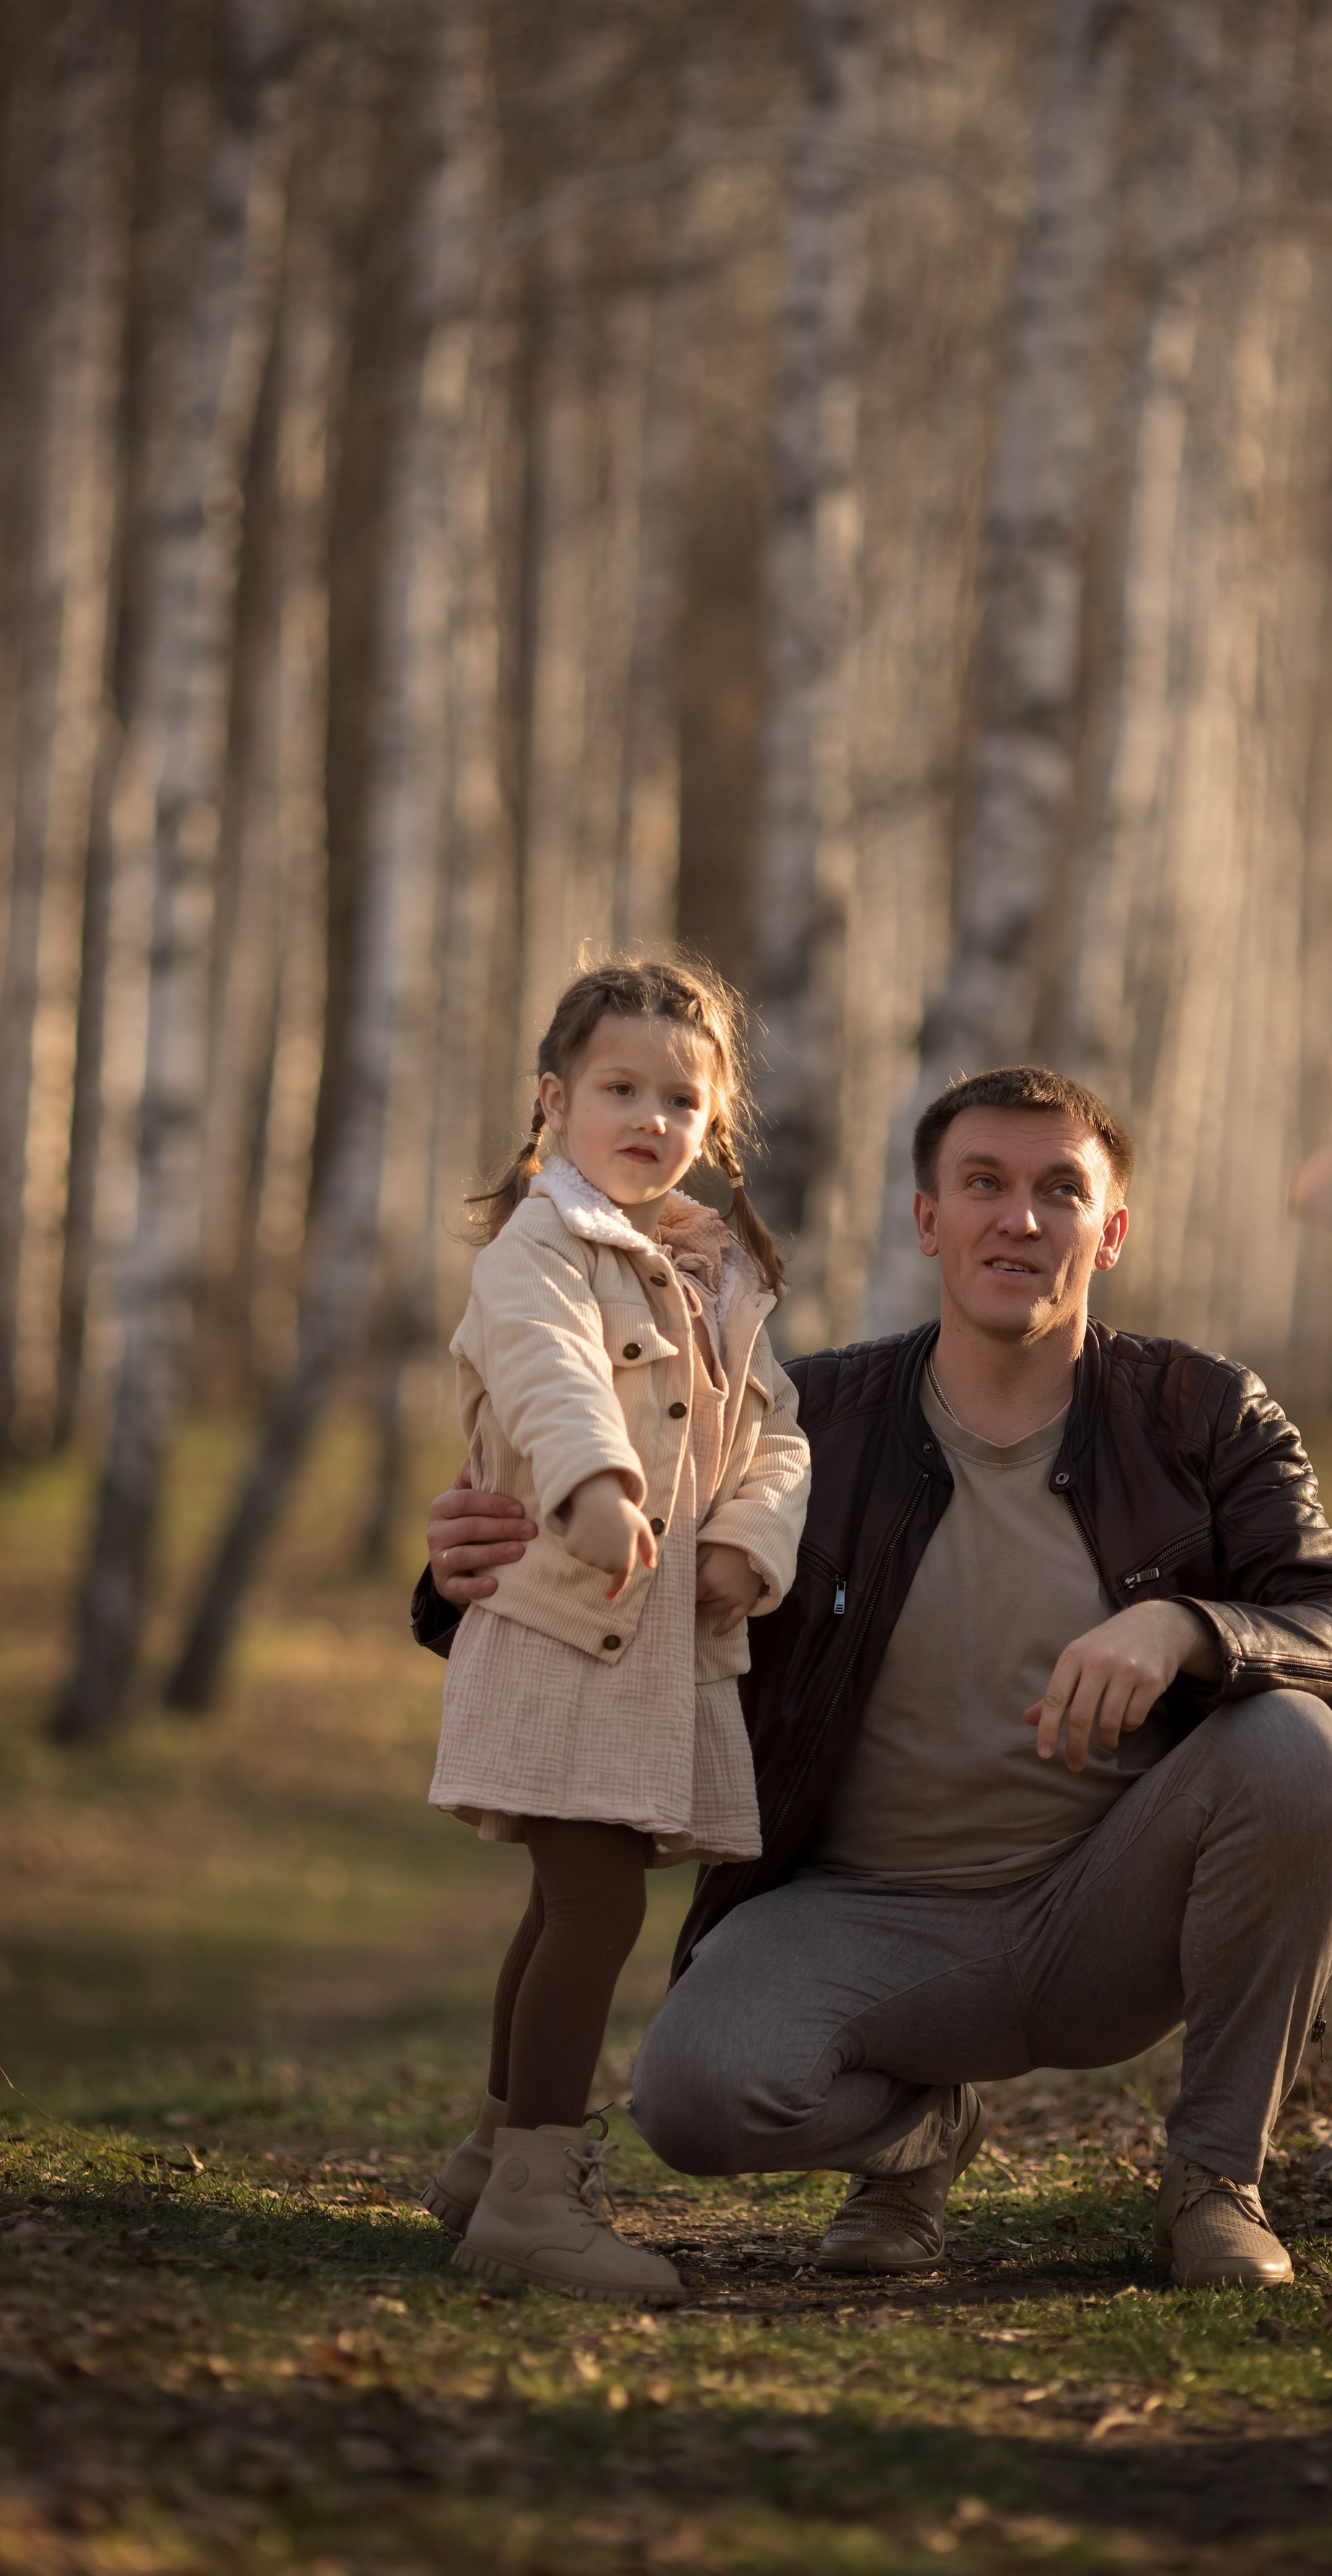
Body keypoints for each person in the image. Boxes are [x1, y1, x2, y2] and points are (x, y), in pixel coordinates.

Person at [415, 1064, 1332, 2290]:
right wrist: (459, 1574)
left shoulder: (1203, 1414)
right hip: (856, 1914)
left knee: (1297, 1751)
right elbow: (630, 1563)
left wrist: (1187, 1631)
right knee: (692, 2098)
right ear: (929, 1220)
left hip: (1106, 1907)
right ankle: (921, 2137)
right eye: (982, 1184)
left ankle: (1213, 2185)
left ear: (1113, 1230)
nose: (1020, 1219)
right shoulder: (804, 1419)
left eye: (1059, 1191)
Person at [418, 959, 810, 2303]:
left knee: (564, 1903)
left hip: (658, 1641)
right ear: (554, 1100)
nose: (650, 1117)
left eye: (681, 1098)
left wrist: (751, 1541)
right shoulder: (540, 1250)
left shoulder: (714, 1270)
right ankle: (534, 2189)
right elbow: (548, 1373)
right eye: (619, 1088)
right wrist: (596, 1488)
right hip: (563, 1622)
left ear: (717, 1125)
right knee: (589, 1907)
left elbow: (776, 1430)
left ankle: (487, 2156)